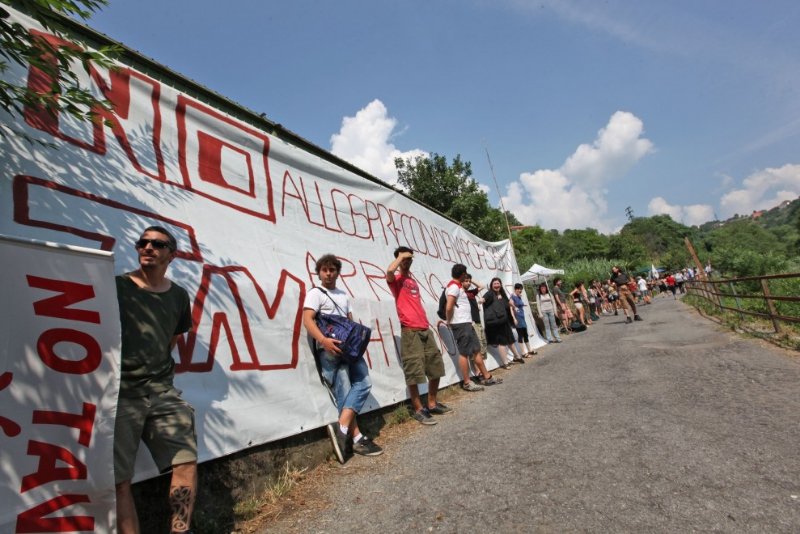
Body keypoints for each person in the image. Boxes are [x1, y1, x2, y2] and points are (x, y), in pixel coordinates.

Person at [115, 226, 196, 534]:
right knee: (119, 481)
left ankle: (180, 529)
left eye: (157, 244)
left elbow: (172, 337)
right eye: (143, 242)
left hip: (162, 391)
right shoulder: (117, 287)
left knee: (186, 461)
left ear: (171, 255)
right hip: (121, 394)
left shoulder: (178, 296)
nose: (148, 247)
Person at [304, 254, 383, 462]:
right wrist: (324, 341)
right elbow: (307, 319)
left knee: (364, 382)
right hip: (329, 350)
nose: (328, 274)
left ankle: (342, 428)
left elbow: (348, 323)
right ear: (319, 272)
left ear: (338, 272)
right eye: (324, 270)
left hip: (348, 348)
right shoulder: (315, 293)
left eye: (332, 270)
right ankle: (357, 437)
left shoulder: (343, 295)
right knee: (344, 391)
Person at [386, 247, 452, 425]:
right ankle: (418, 409)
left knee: (435, 366)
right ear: (399, 259)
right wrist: (400, 257)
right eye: (404, 259)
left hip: (424, 327)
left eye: (409, 259)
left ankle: (431, 403)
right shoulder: (396, 279)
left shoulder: (412, 281)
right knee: (414, 371)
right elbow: (390, 272)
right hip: (410, 330)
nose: (407, 262)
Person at [445, 263, 485, 391]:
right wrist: (449, 320)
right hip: (460, 324)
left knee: (476, 349)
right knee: (464, 353)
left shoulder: (458, 287)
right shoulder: (453, 287)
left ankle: (487, 376)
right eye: (465, 275)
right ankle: (467, 382)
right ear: (462, 275)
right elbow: (449, 306)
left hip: (467, 323)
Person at [463, 274, 503, 386]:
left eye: (469, 281)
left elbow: (481, 286)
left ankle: (482, 371)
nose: (468, 283)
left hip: (478, 321)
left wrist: (471, 280)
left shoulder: (471, 292)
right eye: (465, 281)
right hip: (471, 322)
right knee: (477, 349)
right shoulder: (462, 293)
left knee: (482, 347)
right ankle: (478, 373)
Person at [483, 277, 526, 366]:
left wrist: (514, 307)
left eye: (498, 283)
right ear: (491, 285)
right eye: (494, 284)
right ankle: (505, 363)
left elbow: (508, 303)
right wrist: (482, 300)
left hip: (504, 320)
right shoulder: (490, 293)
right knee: (501, 342)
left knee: (510, 340)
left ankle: (517, 357)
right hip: (496, 322)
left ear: (501, 285)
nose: (496, 285)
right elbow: (485, 298)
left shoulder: (502, 294)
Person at [510, 283, 537, 357]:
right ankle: (523, 352)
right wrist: (514, 318)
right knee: (520, 335)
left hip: (522, 317)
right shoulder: (512, 297)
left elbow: (519, 305)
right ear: (515, 289)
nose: (520, 290)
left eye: (521, 289)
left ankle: (529, 350)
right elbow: (511, 308)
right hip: (517, 317)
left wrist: (523, 305)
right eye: (518, 289)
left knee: (525, 334)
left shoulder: (519, 296)